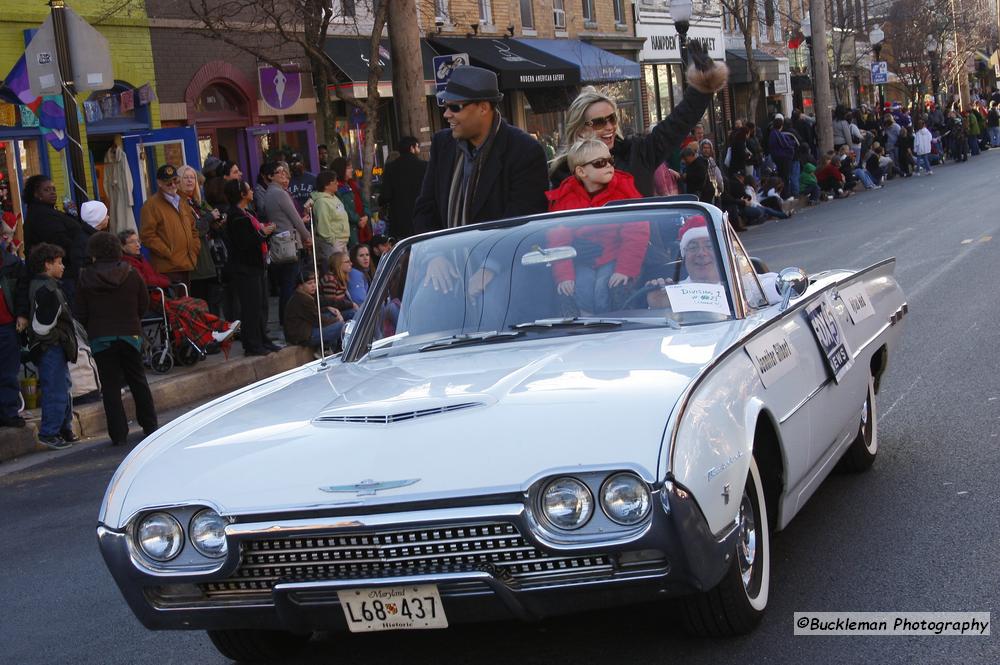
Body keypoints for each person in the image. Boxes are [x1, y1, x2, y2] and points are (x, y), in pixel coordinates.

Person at [548, 42, 727, 197]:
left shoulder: (637, 153)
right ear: (581, 129)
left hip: (642, 236)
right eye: (599, 122)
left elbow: (677, 124)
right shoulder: (563, 173)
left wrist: (704, 84)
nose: (609, 126)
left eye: (612, 119)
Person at [413, 66, 549, 235]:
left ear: (483, 108)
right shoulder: (442, 145)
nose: (446, 114)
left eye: (455, 107)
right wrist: (435, 257)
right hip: (447, 258)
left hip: (498, 258)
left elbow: (522, 225)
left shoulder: (524, 151)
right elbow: (425, 209)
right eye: (445, 106)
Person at [544, 138, 649, 314]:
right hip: (584, 259)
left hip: (616, 256)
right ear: (581, 172)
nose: (609, 166)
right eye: (600, 163)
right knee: (578, 289)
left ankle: (613, 322)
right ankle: (583, 325)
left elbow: (636, 233)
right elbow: (557, 239)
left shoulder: (624, 191)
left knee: (605, 288)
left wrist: (625, 270)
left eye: (610, 160)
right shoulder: (565, 197)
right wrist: (564, 276)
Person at [75, 232, 157, 446]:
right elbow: (143, 304)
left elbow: (80, 312)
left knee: (110, 387)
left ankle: (118, 434)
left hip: (101, 336)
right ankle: (150, 426)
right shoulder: (132, 273)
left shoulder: (85, 277)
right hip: (130, 333)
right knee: (138, 380)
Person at [118, 229, 240, 349]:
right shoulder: (128, 264)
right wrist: (166, 282)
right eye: (133, 242)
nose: (138, 245)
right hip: (149, 300)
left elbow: (154, 276)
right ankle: (217, 331)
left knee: (198, 303)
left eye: (138, 241)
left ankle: (216, 332)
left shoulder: (141, 259)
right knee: (186, 309)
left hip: (158, 295)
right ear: (123, 246)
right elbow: (146, 281)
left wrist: (166, 281)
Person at [26, 243, 77, 449]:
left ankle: (63, 428)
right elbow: (42, 326)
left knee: (62, 387)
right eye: (58, 262)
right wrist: (59, 337)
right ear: (47, 265)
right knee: (55, 388)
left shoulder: (47, 286)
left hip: (53, 346)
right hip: (50, 347)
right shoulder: (47, 289)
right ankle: (50, 432)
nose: (62, 266)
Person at [224, 180, 277, 356]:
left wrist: (264, 232)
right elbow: (245, 242)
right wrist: (262, 233)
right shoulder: (235, 216)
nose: (252, 191)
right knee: (251, 307)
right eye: (248, 189)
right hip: (245, 268)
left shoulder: (247, 212)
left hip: (257, 266)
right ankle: (252, 344)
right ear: (241, 194)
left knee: (261, 305)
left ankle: (263, 339)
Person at [22, 175, 86, 305]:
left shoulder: (48, 211)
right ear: (36, 194)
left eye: (54, 189)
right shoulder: (41, 215)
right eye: (47, 190)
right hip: (59, 274)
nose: (52, 192)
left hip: (63, 272)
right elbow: (59, 241)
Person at [263, 161, 310, 324]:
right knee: (289, 284)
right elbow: (294, 218)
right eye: (279, 172)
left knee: (287, 284)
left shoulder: (270, 192)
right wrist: (307, 236)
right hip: (288, 243)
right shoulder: (279, 193)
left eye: (285, 171)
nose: (284, 174)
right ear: (270, 176)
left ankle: (287, 318)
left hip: (280, 242)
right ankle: (288, 319)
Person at [139, 164, 200, 286]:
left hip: (187, 263)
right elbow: (147, 236)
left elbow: (193, 229)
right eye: (168, 183)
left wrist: (194, 249)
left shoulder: (182, 202)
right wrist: (168, 252)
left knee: (187, 302)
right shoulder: (151, 205)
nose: (173, 185)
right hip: (167, 267)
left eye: (175, 181)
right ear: (159, 183)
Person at [0, 231, 27, 428]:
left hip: (7, 323)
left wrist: (22, 314)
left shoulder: (10, 263)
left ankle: (9, 411)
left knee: (9, 371)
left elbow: (22, 291)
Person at [378, 136, 427, 240]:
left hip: (399, 222)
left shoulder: (391, 168)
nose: (418, 150)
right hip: (421, 218)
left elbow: (385, 195)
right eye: (417, 147)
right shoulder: (424, 166)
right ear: (412, 148)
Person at [283, 271, 344, 351]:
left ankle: (327, 347)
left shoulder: (303, 295)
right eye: (309, 283)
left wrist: (327, 308)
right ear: (300, 286)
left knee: (331, 314)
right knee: (341, 326)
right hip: (302, 336)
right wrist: (337, 320)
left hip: (306, 329)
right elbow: (317, 320)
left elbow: (313, 313)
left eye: (315, 283)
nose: (313, 286)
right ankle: (327, 349)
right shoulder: (302, 299)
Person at [310, 170, 350, 272]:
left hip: (343, 241)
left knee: (344, 272)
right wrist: (333, 241)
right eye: (334, 181)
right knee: (337, 271)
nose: (337, 183)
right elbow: (323, 225)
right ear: (327, 185)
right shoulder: (322, 202)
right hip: (333, 244)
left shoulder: (334, 197)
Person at [330, 157, 371, 246]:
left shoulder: (354, 184)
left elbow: (365, 202)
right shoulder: (336, 188)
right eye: (348, 168)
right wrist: (358, 220)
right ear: (341, 170)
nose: (352, 170)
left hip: (363, 228)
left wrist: (366, 216)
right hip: (351, 230)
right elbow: (343, 208)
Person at [320, 251, 358, 319]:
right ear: (338, 264)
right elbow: (331, 303)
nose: (351, 264)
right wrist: (351, 304)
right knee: (354, 313)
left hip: (340, 310)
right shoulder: (330, 281)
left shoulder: (339, 278)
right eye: (347, 262)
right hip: (330, 314)